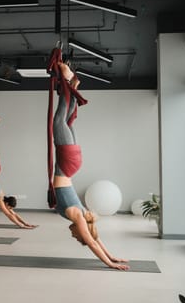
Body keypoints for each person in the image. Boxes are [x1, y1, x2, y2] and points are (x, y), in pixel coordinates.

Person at [50, 60, 129, 271]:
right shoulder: (78, 217)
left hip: (73, 164)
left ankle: (73, 85)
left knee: (66, 123)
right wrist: (110, 263)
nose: (73, 235)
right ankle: (66, 78)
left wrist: (114, 256)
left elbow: (97, 238)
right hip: (67, 164)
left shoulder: (84, 215)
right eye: (77, 237)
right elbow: (92, 242)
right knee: (58, 122)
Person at [0, 111, 36, 228]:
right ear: (7, 203)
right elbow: (8, 215)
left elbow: (13, 213)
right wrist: (21, 226)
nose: (9, 209)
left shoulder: (3, 197)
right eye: (9, 207)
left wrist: (26, 223)